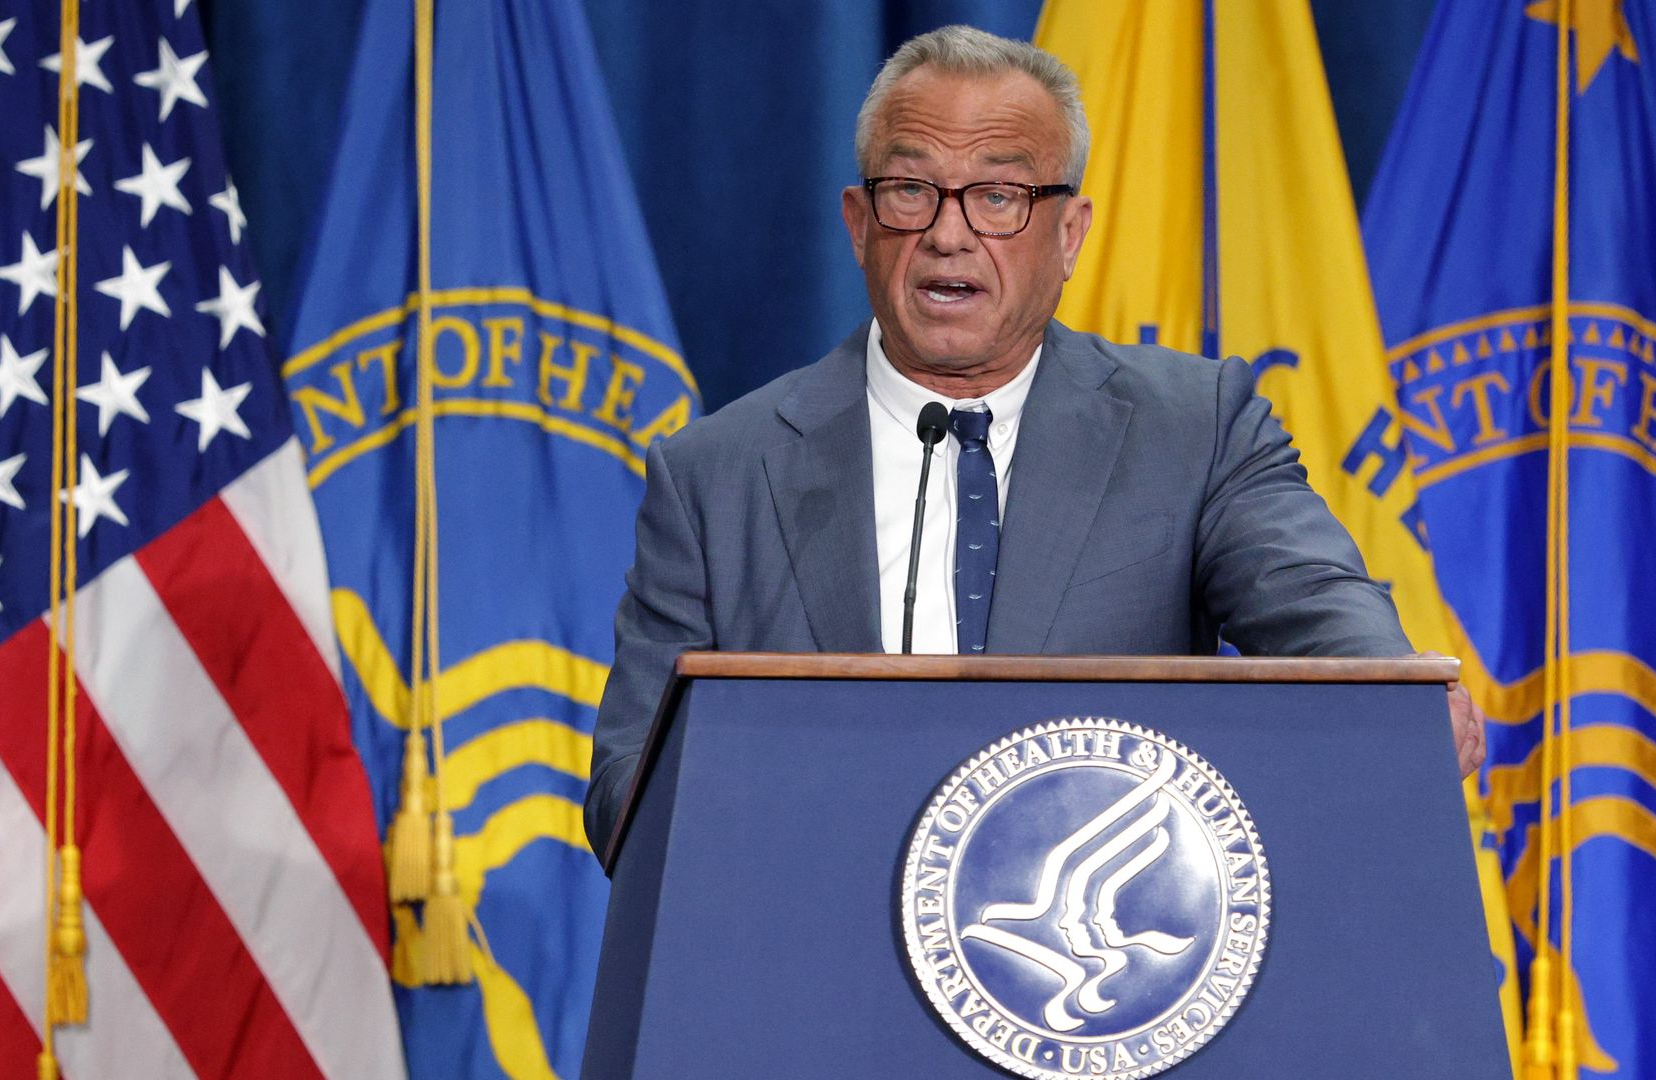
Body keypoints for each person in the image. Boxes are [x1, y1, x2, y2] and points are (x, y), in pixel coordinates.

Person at [584, 25, 1485, 859]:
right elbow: (628, 792)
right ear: (859, 223)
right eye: (912, 191)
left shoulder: (1196, 430)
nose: (948, 235)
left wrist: (1395, 695)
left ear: (1070, 234)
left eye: (999, 197)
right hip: (812, 940)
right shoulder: (716, 477)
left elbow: (1314, 598)